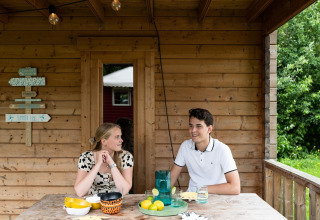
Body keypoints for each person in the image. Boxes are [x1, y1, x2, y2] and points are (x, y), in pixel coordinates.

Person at [171, 108, 241, 195]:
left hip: (218, 200)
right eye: (191, 126)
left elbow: (235, 188)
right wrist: (160, 195)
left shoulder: (222, 149)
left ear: (209, 129)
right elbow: (172, 177)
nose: (193, 130)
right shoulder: (185, 146)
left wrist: (202, 189)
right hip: (192, 200)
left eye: (198, 126)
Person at [74, 123, 134, 197]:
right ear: (104, 141)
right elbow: (80, 192)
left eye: (120, 136)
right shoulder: (86, 157)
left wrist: (111, 163)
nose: (121, 140)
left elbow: (124, 190)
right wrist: (98, 164)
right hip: (95, 203)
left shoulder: (126, 157)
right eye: (117, 137)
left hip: (117, 202)